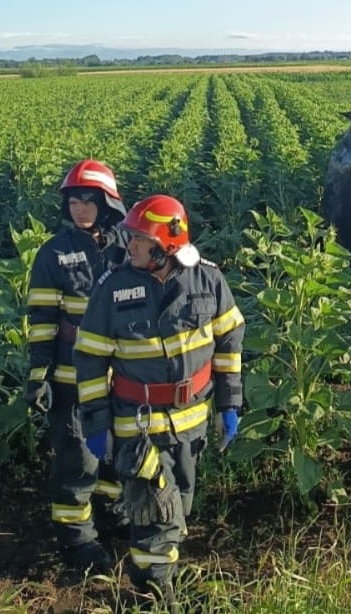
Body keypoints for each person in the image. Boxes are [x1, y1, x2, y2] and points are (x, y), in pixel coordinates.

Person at [73, 194, 245, 598]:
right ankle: (153, 594)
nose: (129, 244)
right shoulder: (113, 288)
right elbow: (91, 359)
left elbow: (229, 342)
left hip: (191, 424)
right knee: (154, 513)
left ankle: (161, 574)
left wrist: (229, 404)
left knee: (178, 506)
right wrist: (96, 423)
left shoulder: (208, 281)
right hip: (139, 427)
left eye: (140, 238)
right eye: (131, 236)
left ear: (166, 245)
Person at [23, 159, 129, 572]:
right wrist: (38, 377)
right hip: (72, 380)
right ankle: (76, 541)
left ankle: (110, 515)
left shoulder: (126, 245)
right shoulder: (53, 253)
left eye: (88, 200)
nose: (80, 209)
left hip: (119, 377)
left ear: (107, 204)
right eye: (73, 202)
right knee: (78, 460)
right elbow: (42, 321)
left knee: (114, 452)